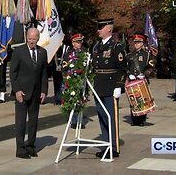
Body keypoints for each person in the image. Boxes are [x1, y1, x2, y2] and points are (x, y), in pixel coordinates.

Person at [10, 27, 48, 159]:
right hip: (22, 93)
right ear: (27, 37)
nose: (32, 41)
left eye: (34, 39)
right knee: (20, 122)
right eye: (30, 38)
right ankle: (20, 149)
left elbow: (44, 73)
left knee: (33, 121)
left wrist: (44, 90)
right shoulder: (19, 52)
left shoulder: (42, 52)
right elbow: (13, 73)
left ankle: (30, 146)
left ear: (38, 38)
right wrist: (17, 90)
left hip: (36, 93)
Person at [92, 19, 127, 159]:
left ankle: (114, 147)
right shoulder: (96, 46)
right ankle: (106, 145)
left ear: (109, 29)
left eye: (101, 27)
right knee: (101, 116)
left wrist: (119, 86)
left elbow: (122, 68)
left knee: (111, 117)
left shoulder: (117, 46)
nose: (98, 30)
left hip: (111, 85)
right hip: (99, 85)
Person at [126, 34, 156, 126]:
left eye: (138, 42)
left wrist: (144, 74)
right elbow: (125, 67)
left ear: (142, 43)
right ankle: (134, 119)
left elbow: (151, 67)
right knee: (133, 100)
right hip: (132, 80)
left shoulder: (147, 55)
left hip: (142, 80)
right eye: (135, 42)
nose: (136, 44)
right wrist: (129, 74)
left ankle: (142, 120)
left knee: (143, 100)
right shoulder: (130, 55)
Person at [62, 33, 87, 129]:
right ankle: (73, 120)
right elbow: (64, 67)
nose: (79, 43)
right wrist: (66, 78)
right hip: (71, 80)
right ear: (73, 43)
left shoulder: (85, 52)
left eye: (80, 41)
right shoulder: (68, 54)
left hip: (81, 80)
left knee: (80, 100)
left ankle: (79, 120)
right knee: (71, 99)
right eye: (77, 42)